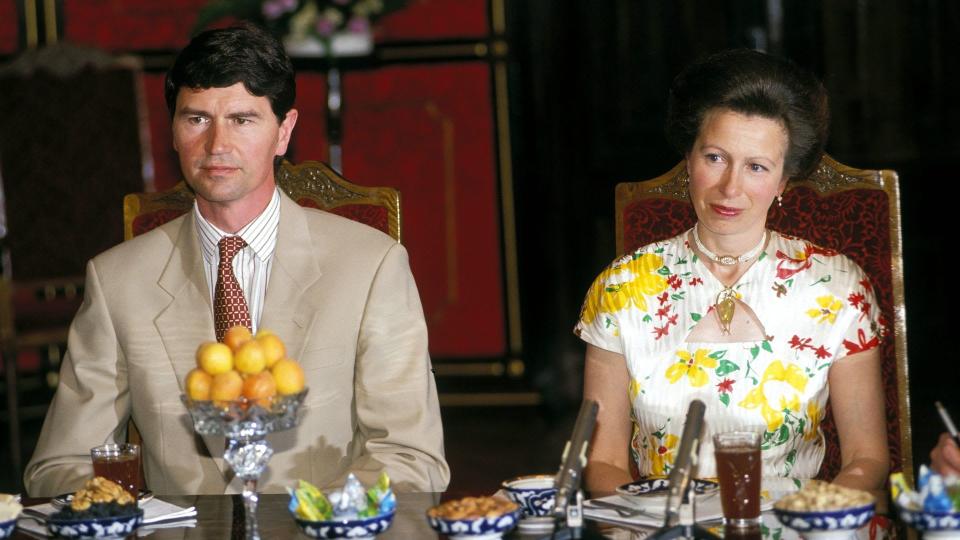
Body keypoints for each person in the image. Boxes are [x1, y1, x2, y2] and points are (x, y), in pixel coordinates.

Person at [24, 24, 449, 496]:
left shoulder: (371, 267)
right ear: (173, 131)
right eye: (196, 119)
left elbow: (411, 456)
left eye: (242, 120)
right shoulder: (117, 281)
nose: (216, 145)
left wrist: (313, 519)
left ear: (284, 131)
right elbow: (60, 464)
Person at [575, 49, 888, 494]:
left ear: (782, 182)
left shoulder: (837, 287)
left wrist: (825, 512)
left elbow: (867, 457)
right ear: (689, 158)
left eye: (756, 167)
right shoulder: (623, 288)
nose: (730, 187)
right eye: (716, 158)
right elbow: (603, 461)